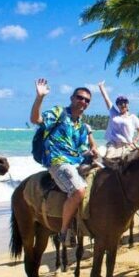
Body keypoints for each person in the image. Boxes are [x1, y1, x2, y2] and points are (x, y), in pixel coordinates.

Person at [30, 79, 99, 243]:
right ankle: (64, 232)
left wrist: (91, 152)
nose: (83, 102)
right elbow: (35, 119)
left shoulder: (81, 126)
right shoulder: (59, 112)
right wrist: (40, 97)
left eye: (87, 100)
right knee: (78, 191)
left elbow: (81, 148)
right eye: (80, 97)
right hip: (58, 160)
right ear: (72, 98)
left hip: (77, 160)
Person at [97, 81, 139, 161]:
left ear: (128, 104)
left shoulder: (133, 117)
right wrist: (101, 87)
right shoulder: (113, 113)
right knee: (108, 159)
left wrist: (135, 141)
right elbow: (106, 99)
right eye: (120, 103)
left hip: (127, 145)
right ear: (117, 105)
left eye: (125, 102)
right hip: (113, 144)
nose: (122, 105)